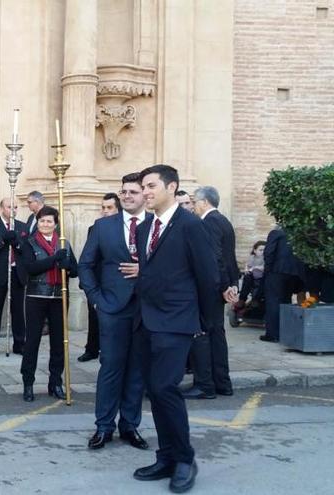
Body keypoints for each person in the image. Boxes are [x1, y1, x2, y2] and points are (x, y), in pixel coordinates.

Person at [132, 164, 218, 493]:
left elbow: (208, 276)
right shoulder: (144, 228)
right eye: (144, 186)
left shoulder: (191, 226)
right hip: (147, 321)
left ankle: (185, 458)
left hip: (177, 320)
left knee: (165, 387)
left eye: (151, 185)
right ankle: (166, 456)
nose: (146, 191)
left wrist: (203, 323)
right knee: (154, 390)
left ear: (172, 187)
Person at [78, 175, 149, 450]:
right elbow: (86, 264)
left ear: (144, 195)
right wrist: (96, 298)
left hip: (146, 308)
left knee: (137, 369)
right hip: (111, 307)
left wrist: (146, 272)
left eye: (133, 191)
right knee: (111, 367)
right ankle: (104, 427)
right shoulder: (103, 227)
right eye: (124, 192)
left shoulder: (156, 227)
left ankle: (130, 426)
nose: (128, 196)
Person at [182, 186, 238, 399]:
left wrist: (225, 286)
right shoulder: (223, 221)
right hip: (218, 288)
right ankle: (222, 383)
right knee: (216, 335)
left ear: (204, 202)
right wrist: (231, 284)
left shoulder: (208, 222)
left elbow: (216, 258)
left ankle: (205, 385)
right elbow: (228, 258)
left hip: (210, 289)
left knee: (203, 335)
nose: (193, 206)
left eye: (194, 202)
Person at [20, 206, 77, 402]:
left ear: (55, 224)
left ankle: (55, 382)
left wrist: (67, 265)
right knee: (32, 341)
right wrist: (54, 259)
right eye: (42, 221)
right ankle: (28, 382)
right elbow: (31, 268)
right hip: (37, 296)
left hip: (59, 297)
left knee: (59, 343)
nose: (45, 224)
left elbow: (75, 270)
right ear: (37, 222)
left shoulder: (64, 244)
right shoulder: (29, 242)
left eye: (49, 221)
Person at [78, 192, 122, 363]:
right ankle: (91, 349)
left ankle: (108, 350)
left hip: (115, 281)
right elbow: (89, 258)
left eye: (109, 208)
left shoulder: (124, 228)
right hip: (96, 281)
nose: (105, 211)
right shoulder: (95, 228)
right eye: (103, 208)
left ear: (118, 209)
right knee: (93, 317)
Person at [0, 197, 27, 356]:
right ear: (2, 208)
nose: (13, 210)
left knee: (18, 311)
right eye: (9, 207)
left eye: (15, 207)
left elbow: (27, 250)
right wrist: (2, 240)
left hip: (17, 273)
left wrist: (18, 244)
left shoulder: (22, 226)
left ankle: (19, 343)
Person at [261, 226, 305, 342]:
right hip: (295, 273)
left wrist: (268, 269)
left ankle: (273, 334)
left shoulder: (276, 232)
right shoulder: (300, 233)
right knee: (286, 300)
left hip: (277, 271)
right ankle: (285, 332)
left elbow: (269, 252)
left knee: (273, 302)